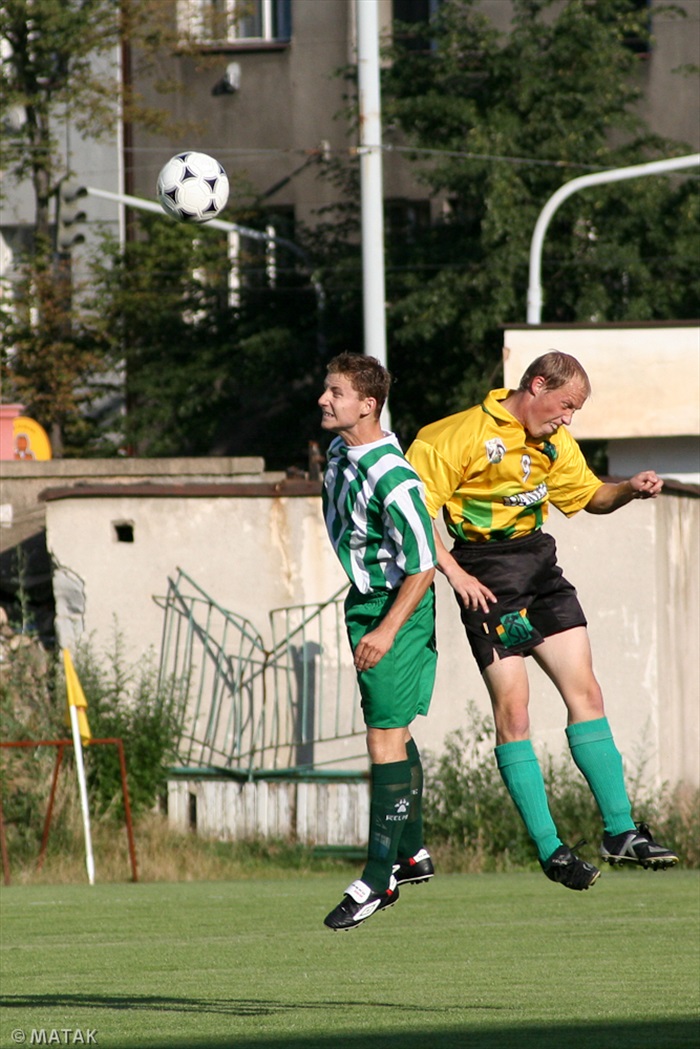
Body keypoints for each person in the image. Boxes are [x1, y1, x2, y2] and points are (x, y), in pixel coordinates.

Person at [405, 351, 679, 891]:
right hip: (488, 582)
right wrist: (456, 575)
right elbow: (412, 515)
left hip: (540, 567)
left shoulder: (555, 443)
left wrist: (629, 488)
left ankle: (620, 832)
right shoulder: (451, 436)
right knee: (517, 712)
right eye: (566, 406)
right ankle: (551, 849)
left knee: (588, 695)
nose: (568, 419)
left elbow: (590, 496)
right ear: (536, 385)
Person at [318, 352, 438, 930]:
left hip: (397, 609)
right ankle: (412, 851)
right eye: (326, 389)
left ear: (367, 405)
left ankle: (377, 876)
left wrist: (389, 631)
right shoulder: (341, 450)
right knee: (395, 733)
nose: (324, 399)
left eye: (336, 392)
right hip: (365, 605)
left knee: (382, 740)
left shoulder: (394, 474)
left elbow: (422, 563)